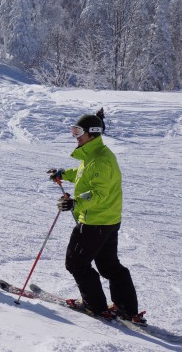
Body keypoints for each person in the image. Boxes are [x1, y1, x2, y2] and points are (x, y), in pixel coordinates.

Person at [48, 109, 146, 325]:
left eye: (79, 131)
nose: (75, 135)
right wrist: (63, 174)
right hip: (107, 220)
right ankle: (126, 308)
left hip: (94, 221)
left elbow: (99, 193)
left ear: (92, 133)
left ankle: (95, 306)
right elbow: (85, 176)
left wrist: (76, 202)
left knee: (76, 263)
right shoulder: (95, 154)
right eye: (74, 130)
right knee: (109, 266)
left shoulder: (100, 159)